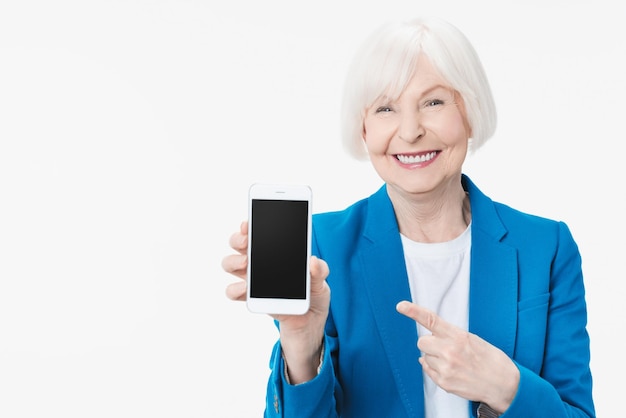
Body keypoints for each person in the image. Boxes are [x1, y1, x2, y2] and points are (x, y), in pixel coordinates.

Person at [221, 16, 595, 418]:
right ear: (363, 129)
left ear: (470, 111)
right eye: (385, 108)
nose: (411, 130)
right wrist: (301, 344)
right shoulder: (323, 249)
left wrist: (505, 386)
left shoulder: (546, 248)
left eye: (433, 102)